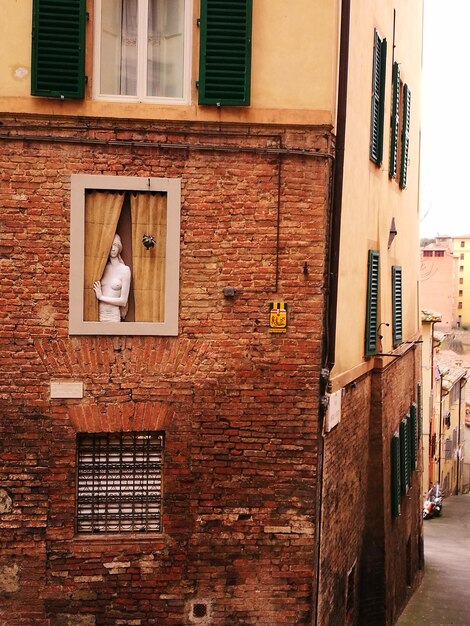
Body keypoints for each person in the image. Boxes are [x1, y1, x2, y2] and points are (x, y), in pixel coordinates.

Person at [93, 234, 131, 322]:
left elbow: (123, 301)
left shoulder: (124, 270)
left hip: (113, 316)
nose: (113, 249)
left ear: (119, 247)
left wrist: (101, 297)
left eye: (116, 245)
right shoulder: (102, 268)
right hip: (98, 314)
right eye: (111, 245)